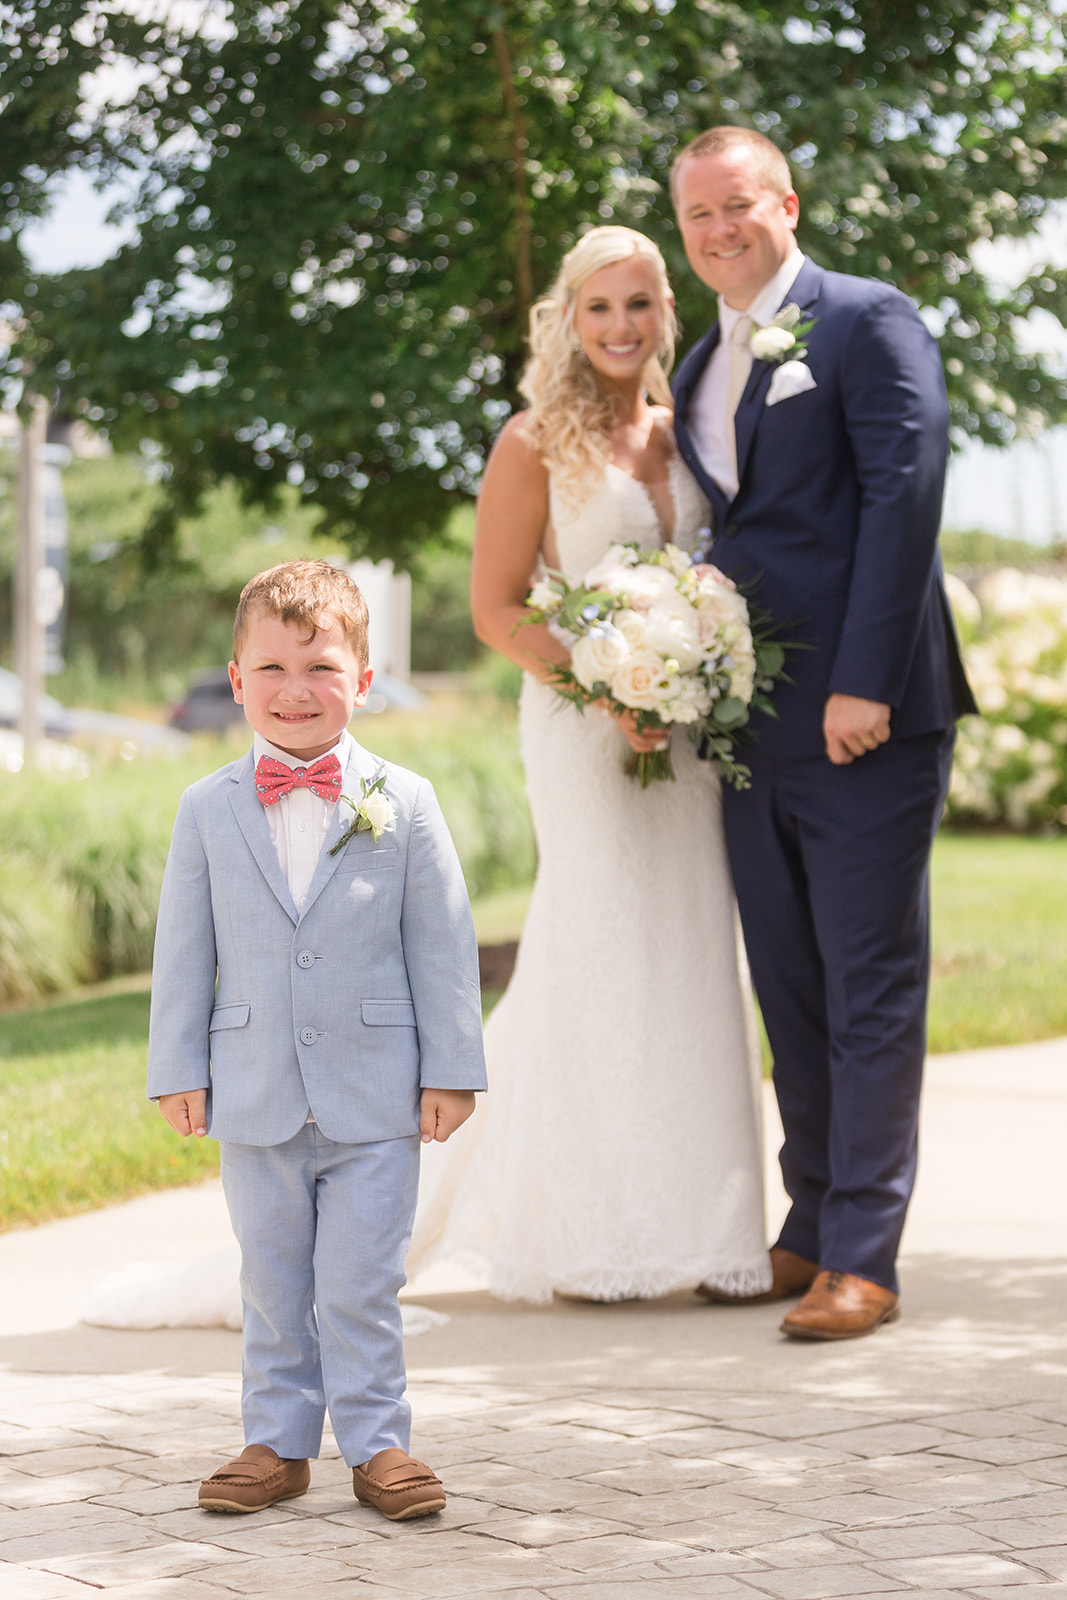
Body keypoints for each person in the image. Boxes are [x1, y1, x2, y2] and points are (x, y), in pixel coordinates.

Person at [408, 226, 771, 1304]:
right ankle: (587, 1238)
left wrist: (682, 671)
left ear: (667, 314)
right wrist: (605, 688)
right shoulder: (533, 441)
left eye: (639, 306)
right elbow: (494, 607)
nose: (619, 327)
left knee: (694, 954)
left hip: (688, 739)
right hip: (580, 731)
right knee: (600, 950)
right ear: (567, 319)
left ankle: (711, 1235)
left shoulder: (693, 431)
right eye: (598, 307)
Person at [670, 126, 977, 1340]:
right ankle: (807, 1225)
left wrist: (866, 683)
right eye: (696, 215)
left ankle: (865, 1252)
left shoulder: (866, 318)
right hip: (749, 723)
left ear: (784, 203)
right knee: (789, 984)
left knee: (867, 985)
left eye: (735, 205)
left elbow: (904, 492)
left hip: (867, 716)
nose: (716, 231)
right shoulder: (702, 358)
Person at [147, 560, 486, 1517]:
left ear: (363, 680)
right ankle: (277, 1443)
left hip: (377, 1091)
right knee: (271, 1278)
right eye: (274, 669)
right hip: (252, 1088)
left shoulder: (405, 801)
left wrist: (452, 1070)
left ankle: (380, 1447)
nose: (297, 691)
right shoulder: (206, 807)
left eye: (322, 668)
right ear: (237, 677)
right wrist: (178, 1067)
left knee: (361, 1282)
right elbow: (183, 952)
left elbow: (443, 941)